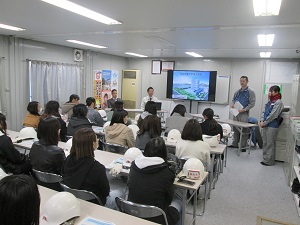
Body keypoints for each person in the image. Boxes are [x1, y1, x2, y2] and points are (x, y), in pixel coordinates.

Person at [128, 137, 180, 225]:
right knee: (179, 202)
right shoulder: (167, 172)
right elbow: (169, 200)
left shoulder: (133, 166)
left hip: (132, 213)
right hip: (157, 218)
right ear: (164, 153)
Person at [61, 128, 110, 205]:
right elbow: (106, 192)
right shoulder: (98, 168)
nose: (98, 140)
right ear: (93, 144)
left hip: (71, 200)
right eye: (96, 138)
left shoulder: (68, 160)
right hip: (93, 204)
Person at [260, 85, 284, 166]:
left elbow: (273, 115)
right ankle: (265, 159)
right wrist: (261, 120)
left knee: (270, 143)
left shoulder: (278, 102)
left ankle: (269, 161)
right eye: (269, 91)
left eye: (272, 91)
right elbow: (264, 111)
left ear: (277, 92)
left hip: (272, 126)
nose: (270, 93)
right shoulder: (270, 101)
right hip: (265, 125)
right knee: (265, 142)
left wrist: (265, 122)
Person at [230, 76, 256, 150]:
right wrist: (232, 104)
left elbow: (252, 104)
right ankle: (235, 143)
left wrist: (244, 109)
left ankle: (243, 146)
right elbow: (233, 100)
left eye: (243, 81)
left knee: (244, 129)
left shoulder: (250, 92)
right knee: (235, 128)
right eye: (240, 81)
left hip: (244, 113)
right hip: (236, 112)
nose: (242, 82)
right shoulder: (237, 92)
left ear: (247, 81)